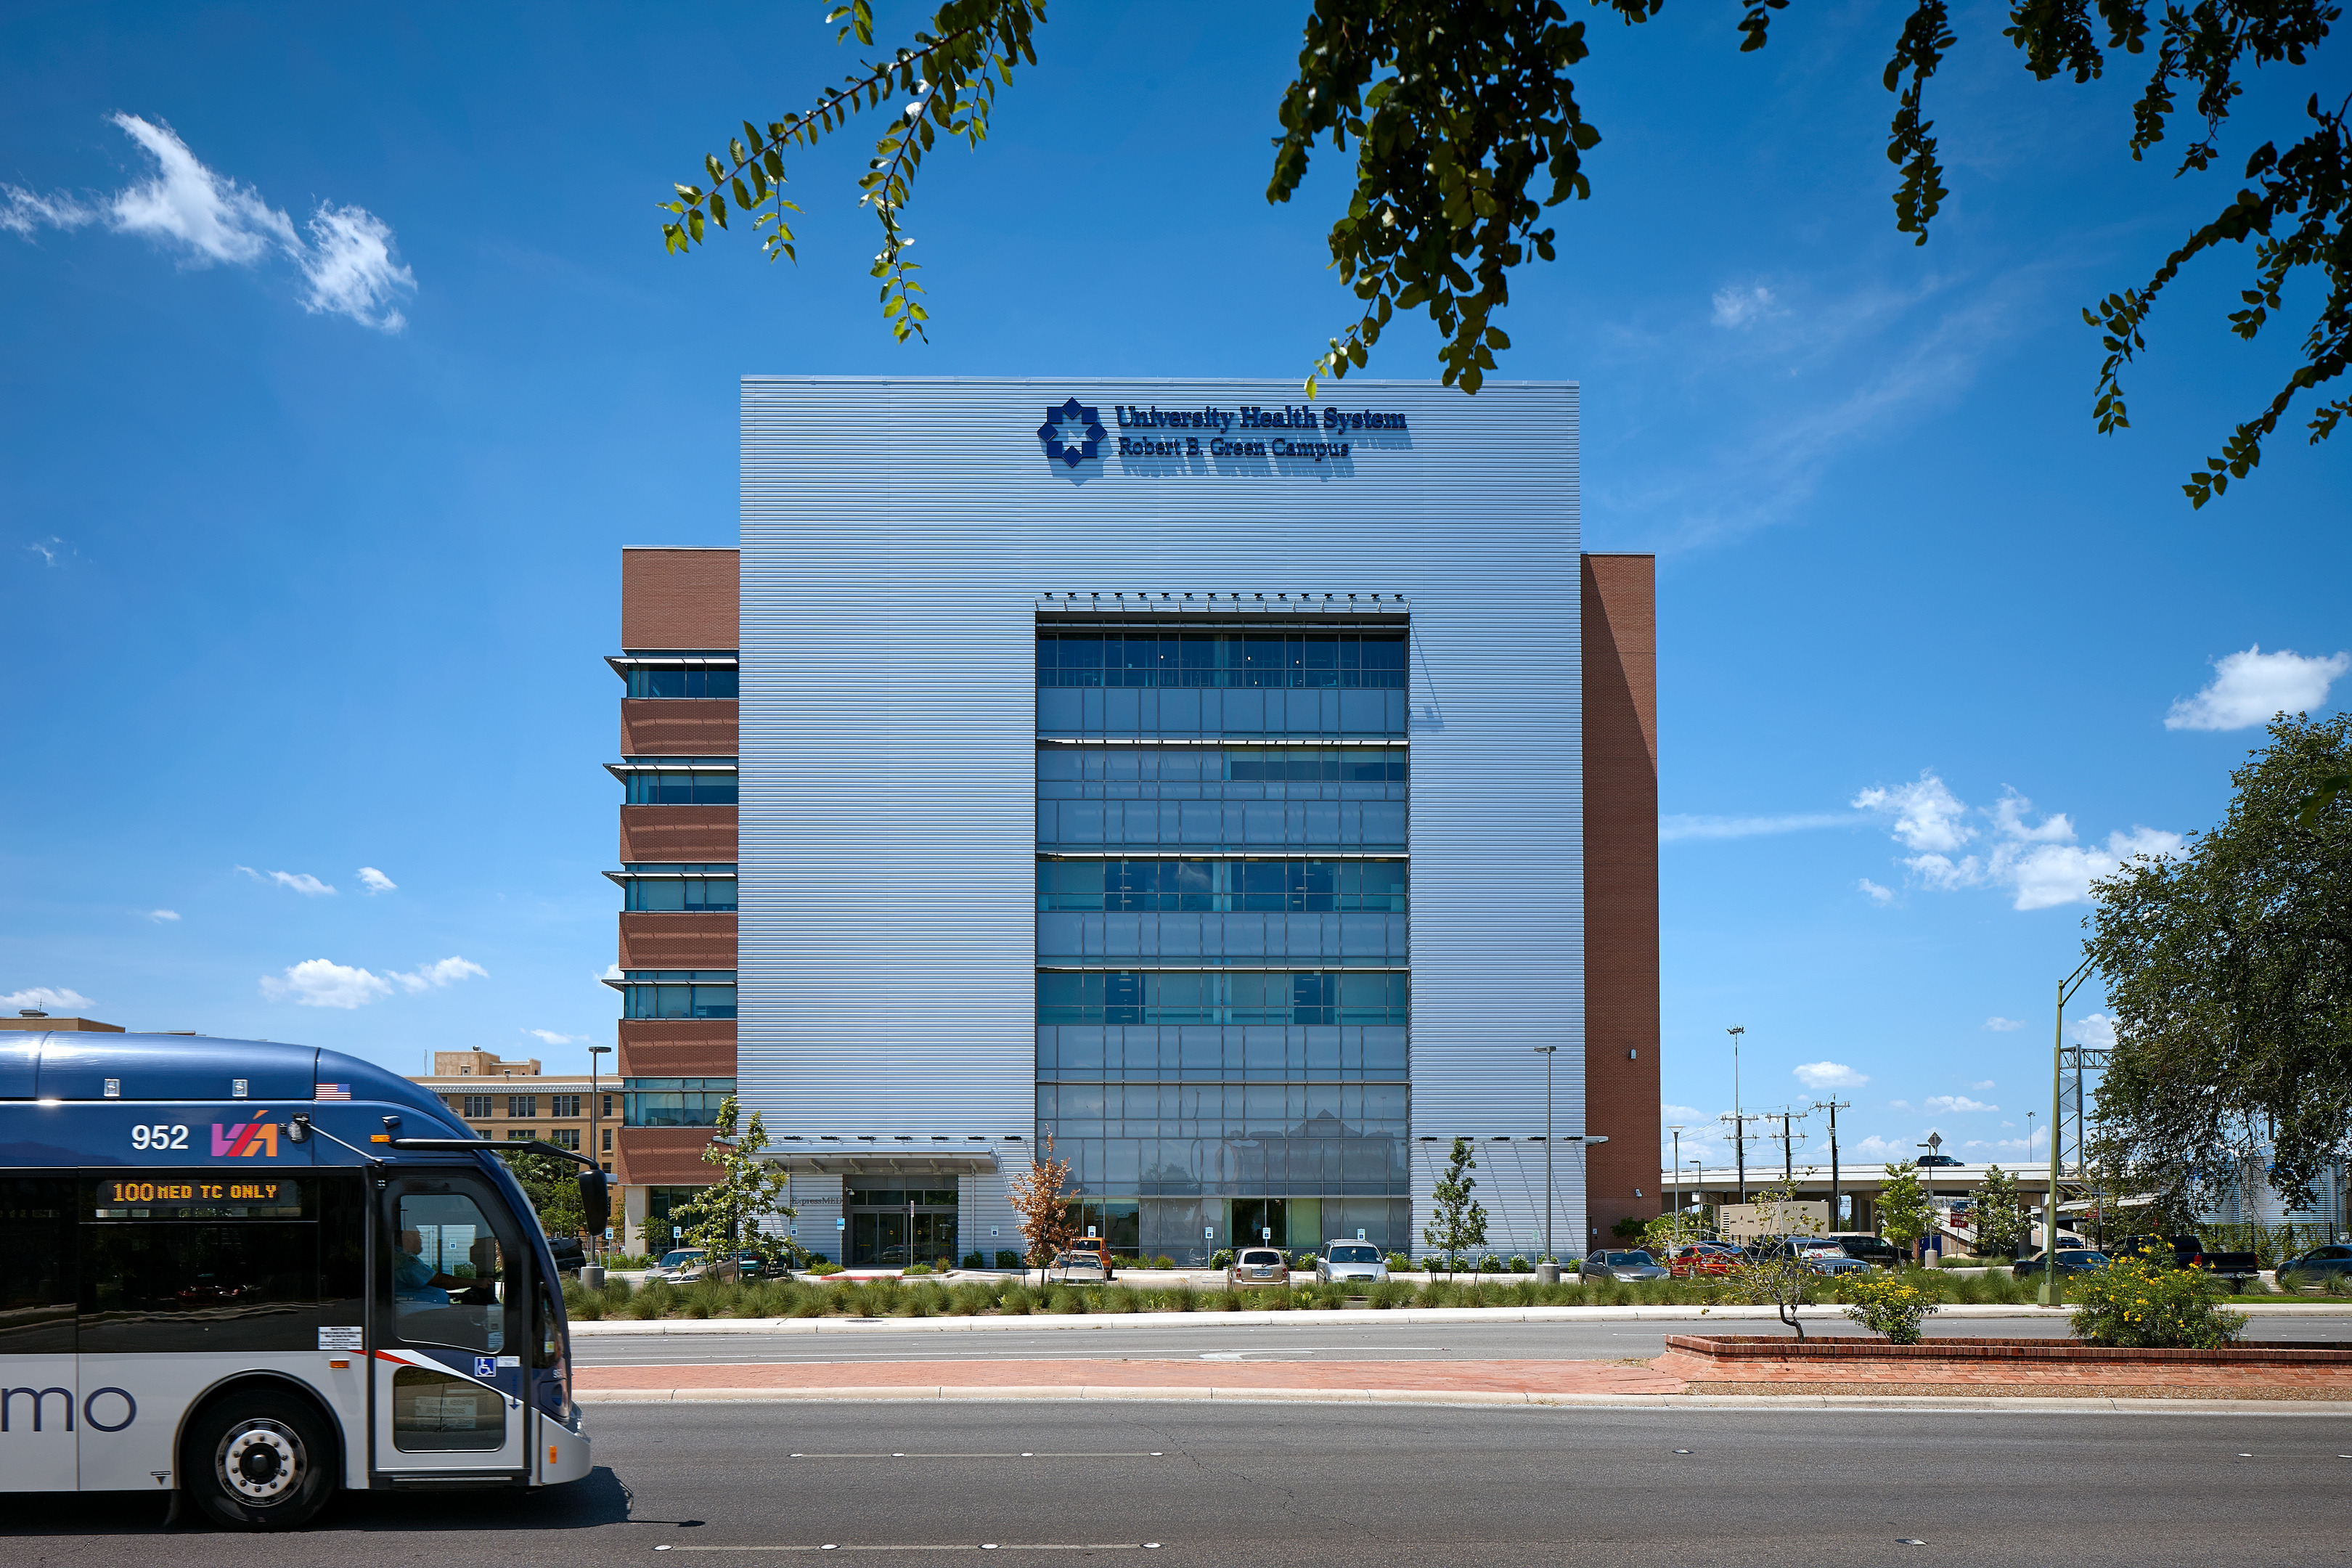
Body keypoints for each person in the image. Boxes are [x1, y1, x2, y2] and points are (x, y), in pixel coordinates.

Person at [392, 1228, 470, 1306]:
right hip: (417, 1310)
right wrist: (477, 1283)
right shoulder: (405, 1260)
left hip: (422, 1307)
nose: (420, 1240)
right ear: (406, 1240)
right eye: (419, 1236)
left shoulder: (400, 1257)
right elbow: (440, 1281)